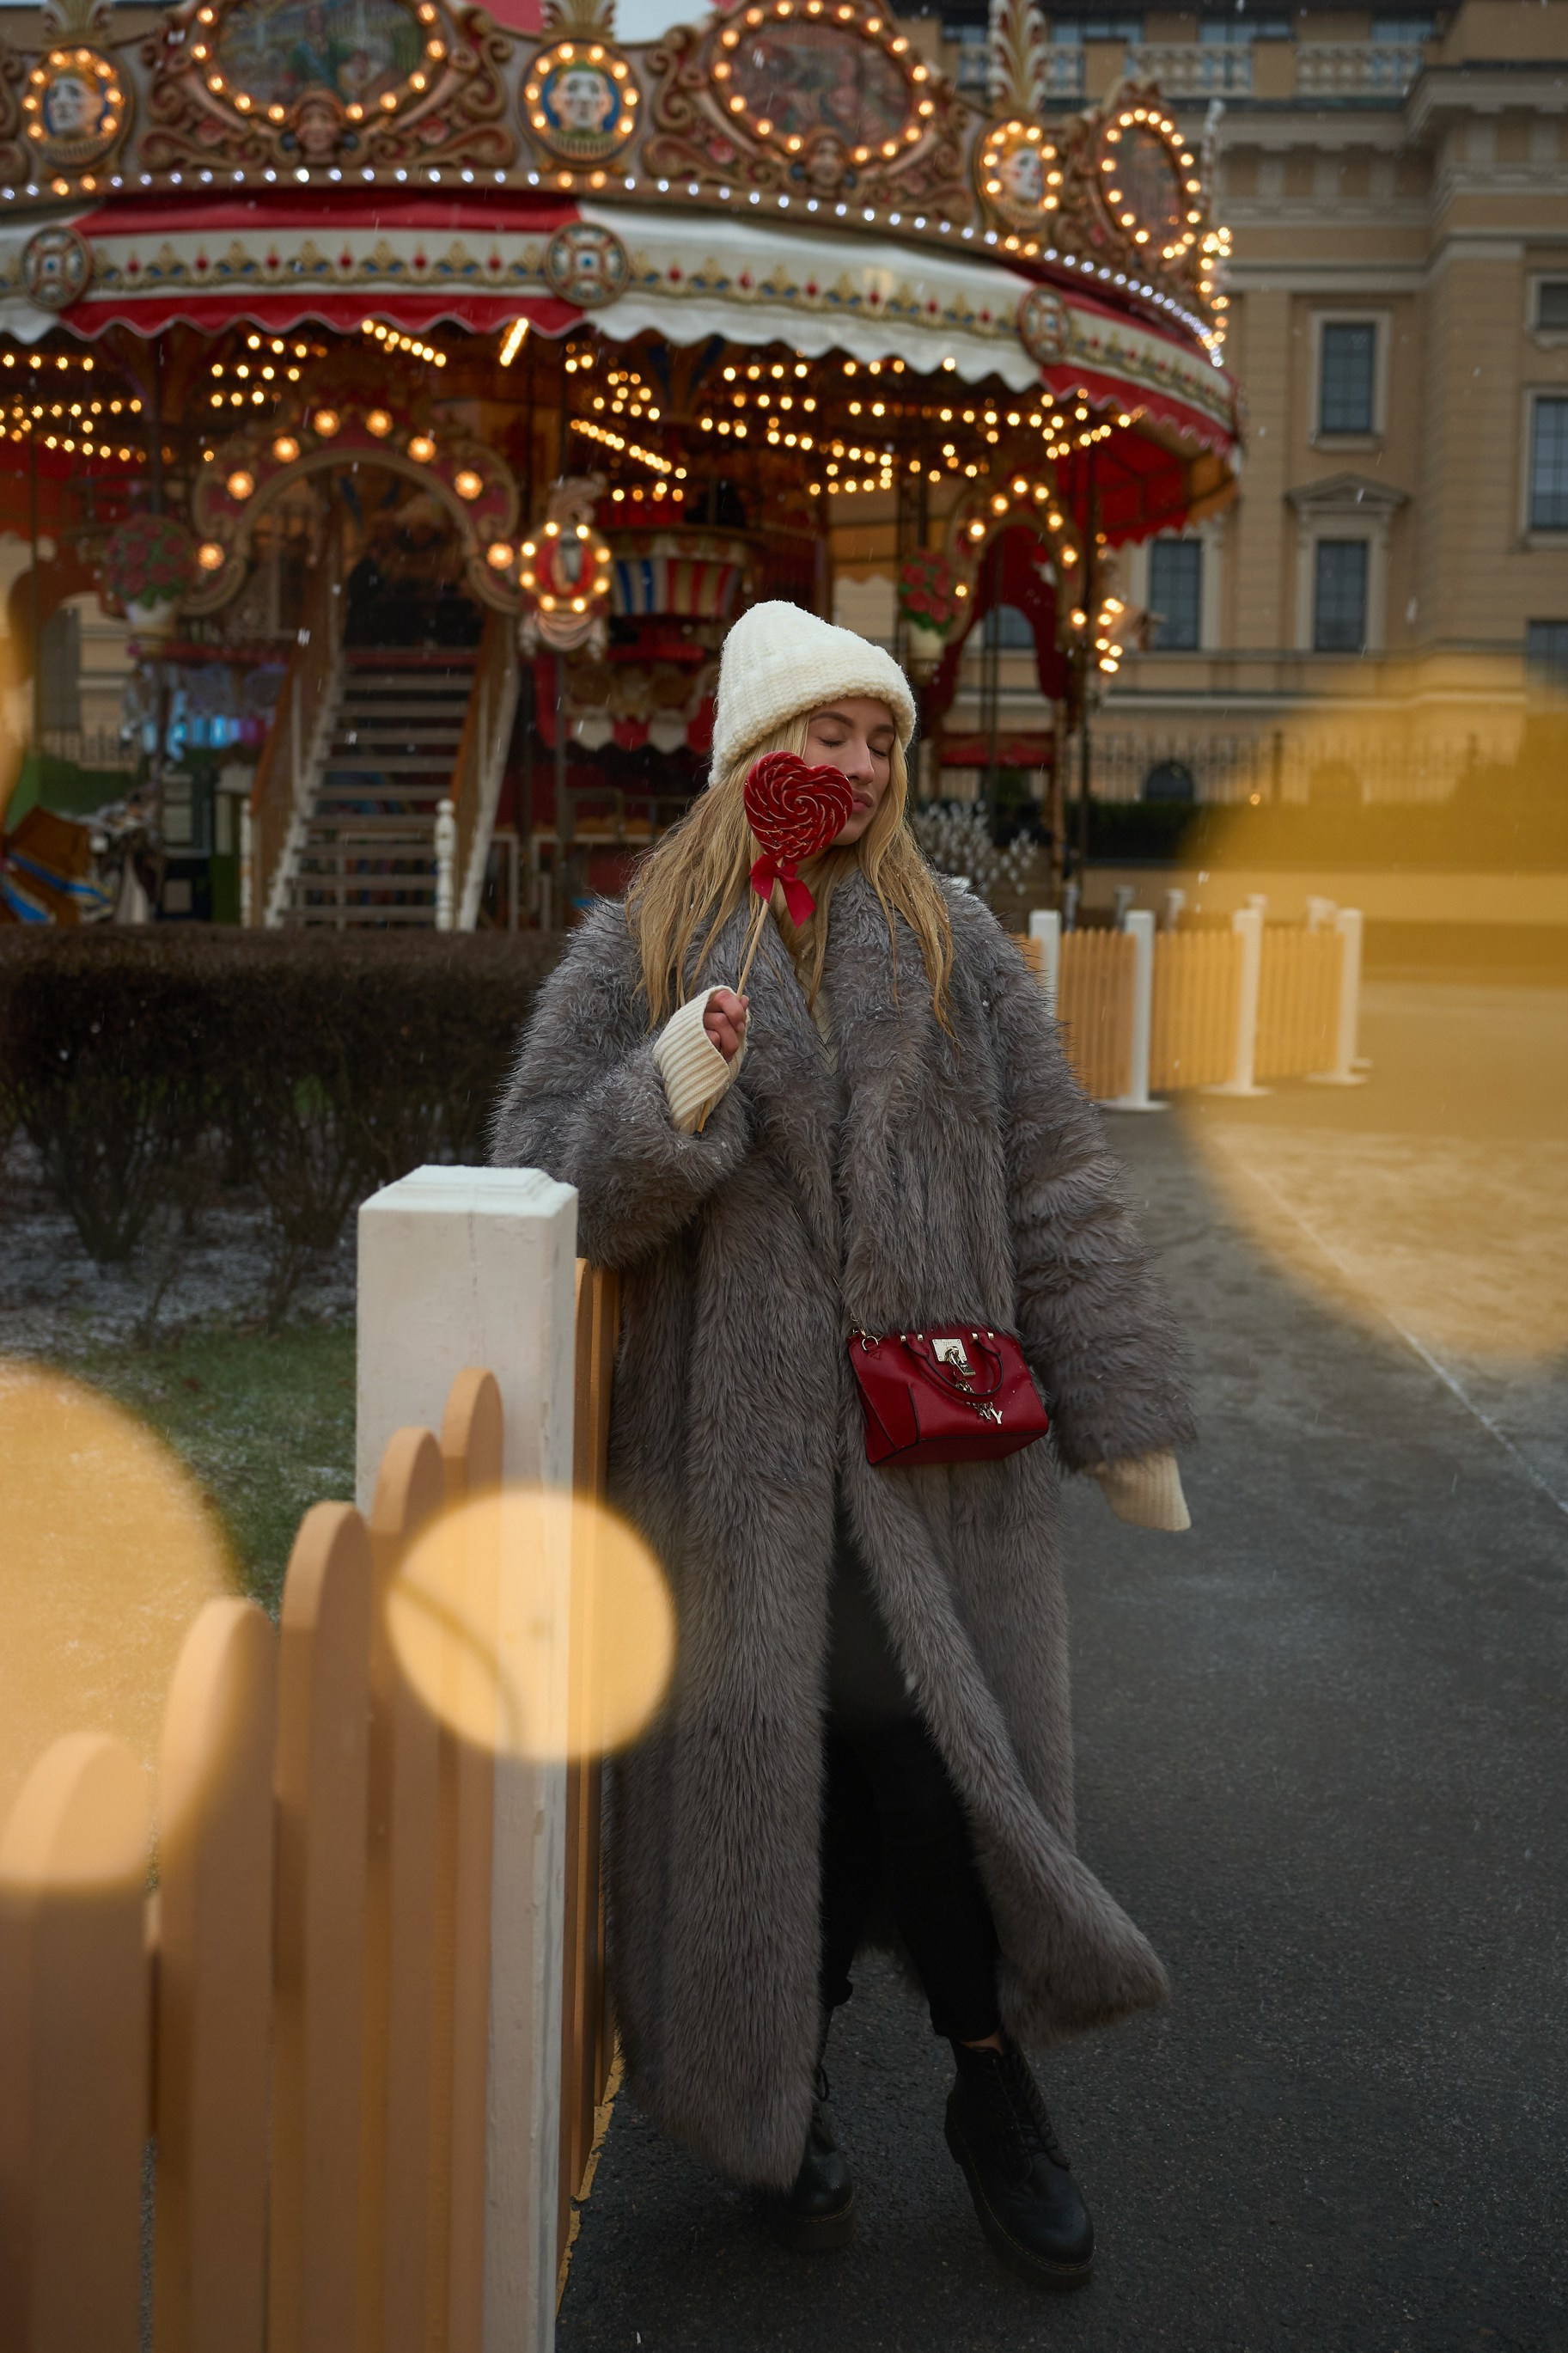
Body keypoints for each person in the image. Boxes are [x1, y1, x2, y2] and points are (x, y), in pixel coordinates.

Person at [491, 600, 1193, 2290]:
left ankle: (985, 2081)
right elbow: (539, 1170)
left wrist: (1119, 1410)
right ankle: (782, 2077)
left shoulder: (955, 941)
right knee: (779, 1773)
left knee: (933, 1769)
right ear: (754, 750)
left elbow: (1055, 1181)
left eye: (881, 740)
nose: (863, 768)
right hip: (730, 1468)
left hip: (933, 1455)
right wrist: (670, 1089)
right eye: (829, 735)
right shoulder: (641, 946)